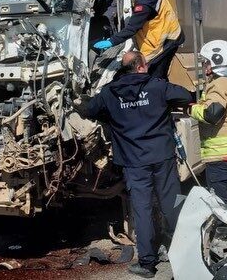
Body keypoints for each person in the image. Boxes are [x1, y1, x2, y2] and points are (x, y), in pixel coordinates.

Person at [77, 51, 193, 278]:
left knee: (142, 210)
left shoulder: (110, 92)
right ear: (141, 66)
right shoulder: (158, 87)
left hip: (133, 162)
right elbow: (187, 96)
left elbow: (89, 110)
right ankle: (185, 253)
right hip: (162, 157)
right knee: (172, 205)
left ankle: (147, 264)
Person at [189, 40, 227, 211]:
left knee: (224, 209)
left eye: (206, 62)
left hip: (223, 157)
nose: (204, 66)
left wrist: (191, 109)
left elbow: (212, 114)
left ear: (214, 63)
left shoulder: (219, 84)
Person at [92, 0, 184, 80]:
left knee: (155, 76)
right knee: (156, 75)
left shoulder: (144, 2)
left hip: (166, 38)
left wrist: (111, 41)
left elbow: (132, 28)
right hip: (161, 28)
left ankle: (160, 94)